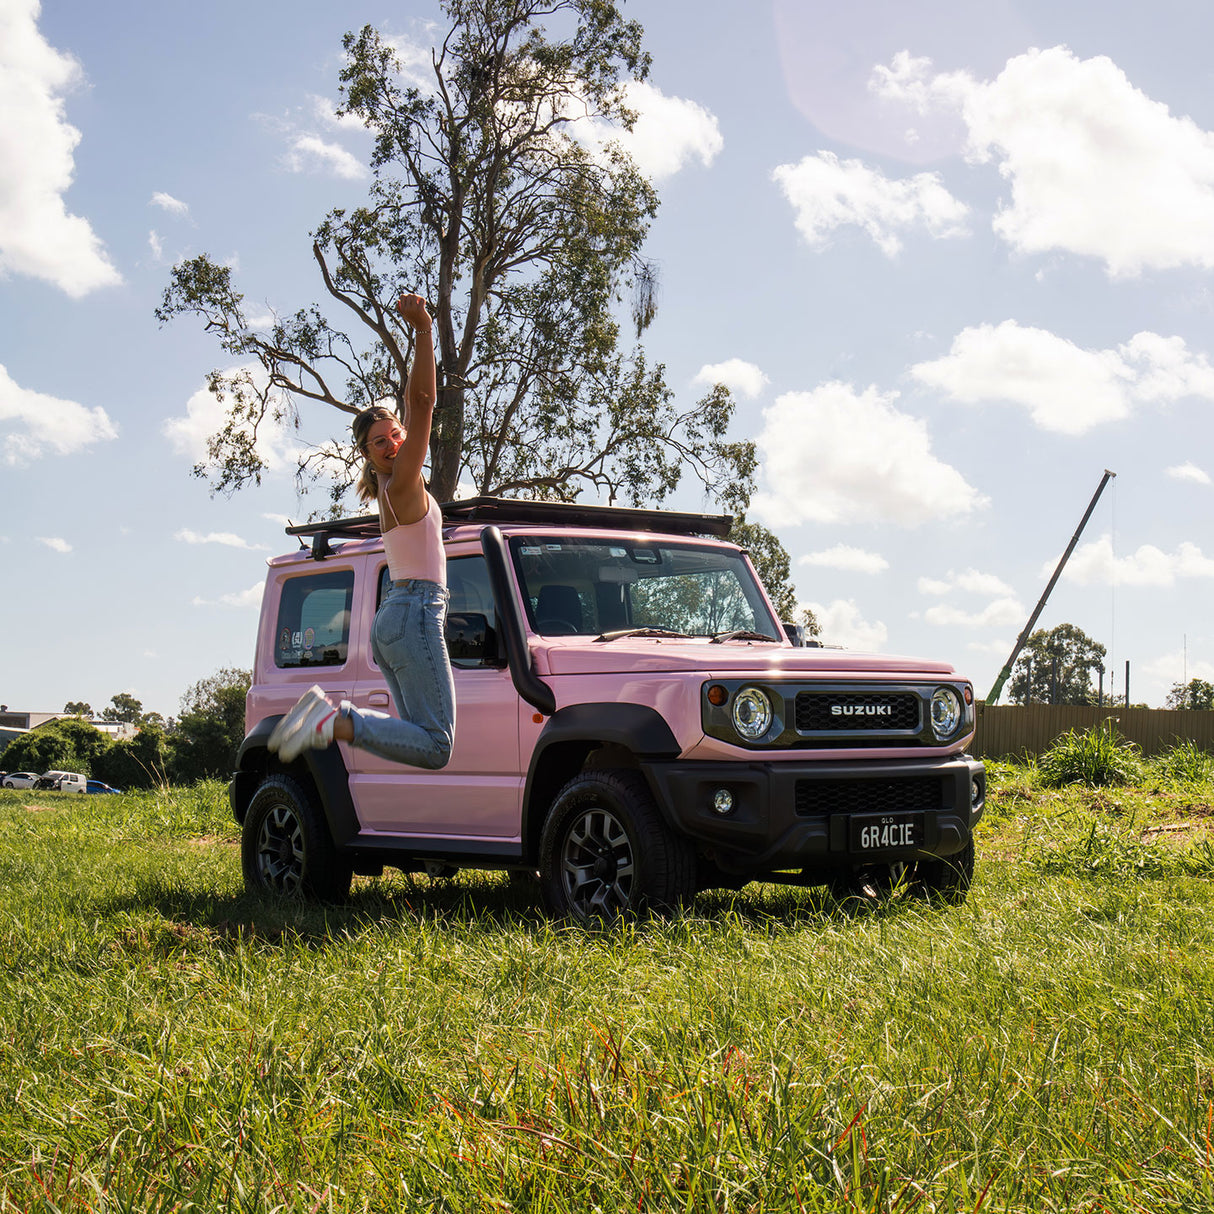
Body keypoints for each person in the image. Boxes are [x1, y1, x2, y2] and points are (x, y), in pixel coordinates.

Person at [268, 293, 456, 769]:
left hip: (395, 615)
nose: (393, 443)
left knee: (421, 736)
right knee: (437, 745)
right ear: (369, 457)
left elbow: (413, 410)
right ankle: (336, 722)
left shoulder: (394, 490)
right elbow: (423, 400)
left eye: (395, 435)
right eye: (380, 442)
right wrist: (424, 331)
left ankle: (330, 717)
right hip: (414, 610)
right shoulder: (404, 483)